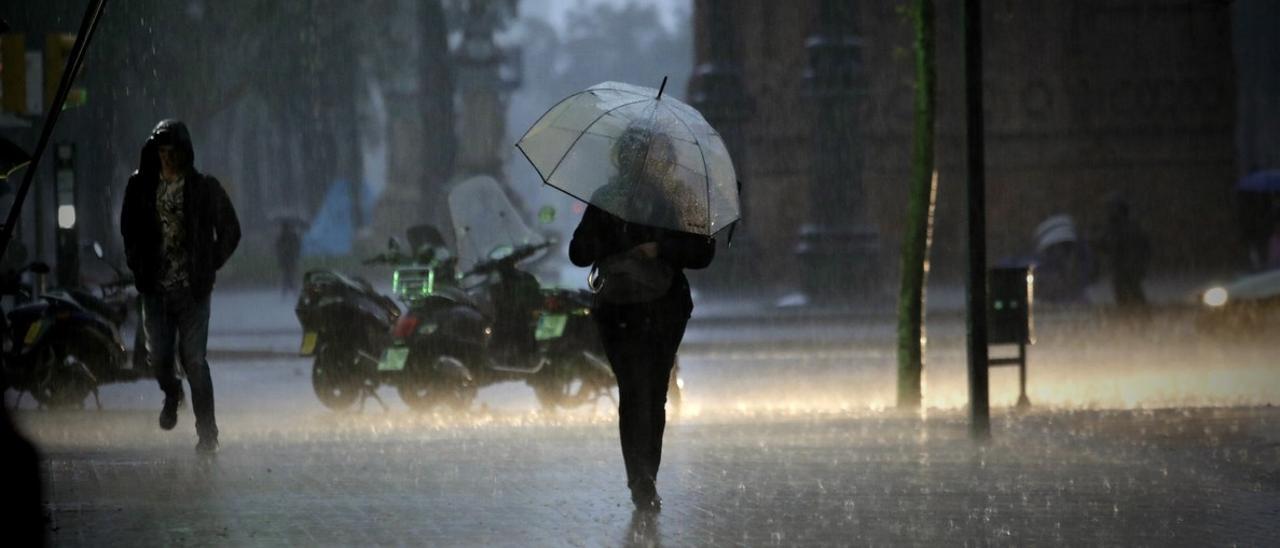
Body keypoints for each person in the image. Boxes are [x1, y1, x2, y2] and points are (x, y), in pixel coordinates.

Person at [569, 125, 715, 511]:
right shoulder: (668, 199)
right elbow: (579, 251)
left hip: (644, 309)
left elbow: (701, 252)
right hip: (638, 308)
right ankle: (643, 477)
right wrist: (632, 243)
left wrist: (656, 247)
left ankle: (642, 478)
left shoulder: (617, 198)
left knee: (640, 393)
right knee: (647, 393)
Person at [121, 119, 241, 454]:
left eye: (174, 152)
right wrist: (138, 265)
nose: (168, 159)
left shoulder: (204, 189)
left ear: (184, 153)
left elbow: (231, 230)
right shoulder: (140, 188)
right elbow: (128, 230)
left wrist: (208, 263)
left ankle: (207, 433)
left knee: (195, 362)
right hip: (155, 291)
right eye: (163, 152)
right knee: (158, 358)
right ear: (155, 153)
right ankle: (172, 393)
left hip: (193, 292)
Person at [1094, 195, 1150, 308]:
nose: (1107, 211)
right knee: (1130, 296)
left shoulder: (1123, 227)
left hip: (1126, 269)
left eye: (1110, 208)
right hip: (1125, 268)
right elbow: (1104, 244)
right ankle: (1138, 318)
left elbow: (1108, 244)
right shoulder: (1121, 226)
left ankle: (1138, 318)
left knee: (1131, 296)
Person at [275, 221, 301, 296]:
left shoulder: (282, 237)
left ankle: (287, 292)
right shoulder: (292, 236)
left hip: (286, 259)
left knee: (286, 276)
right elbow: (297, 247)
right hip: (290, 259)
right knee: (290, 275)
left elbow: (278, 248)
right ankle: (292, 291)